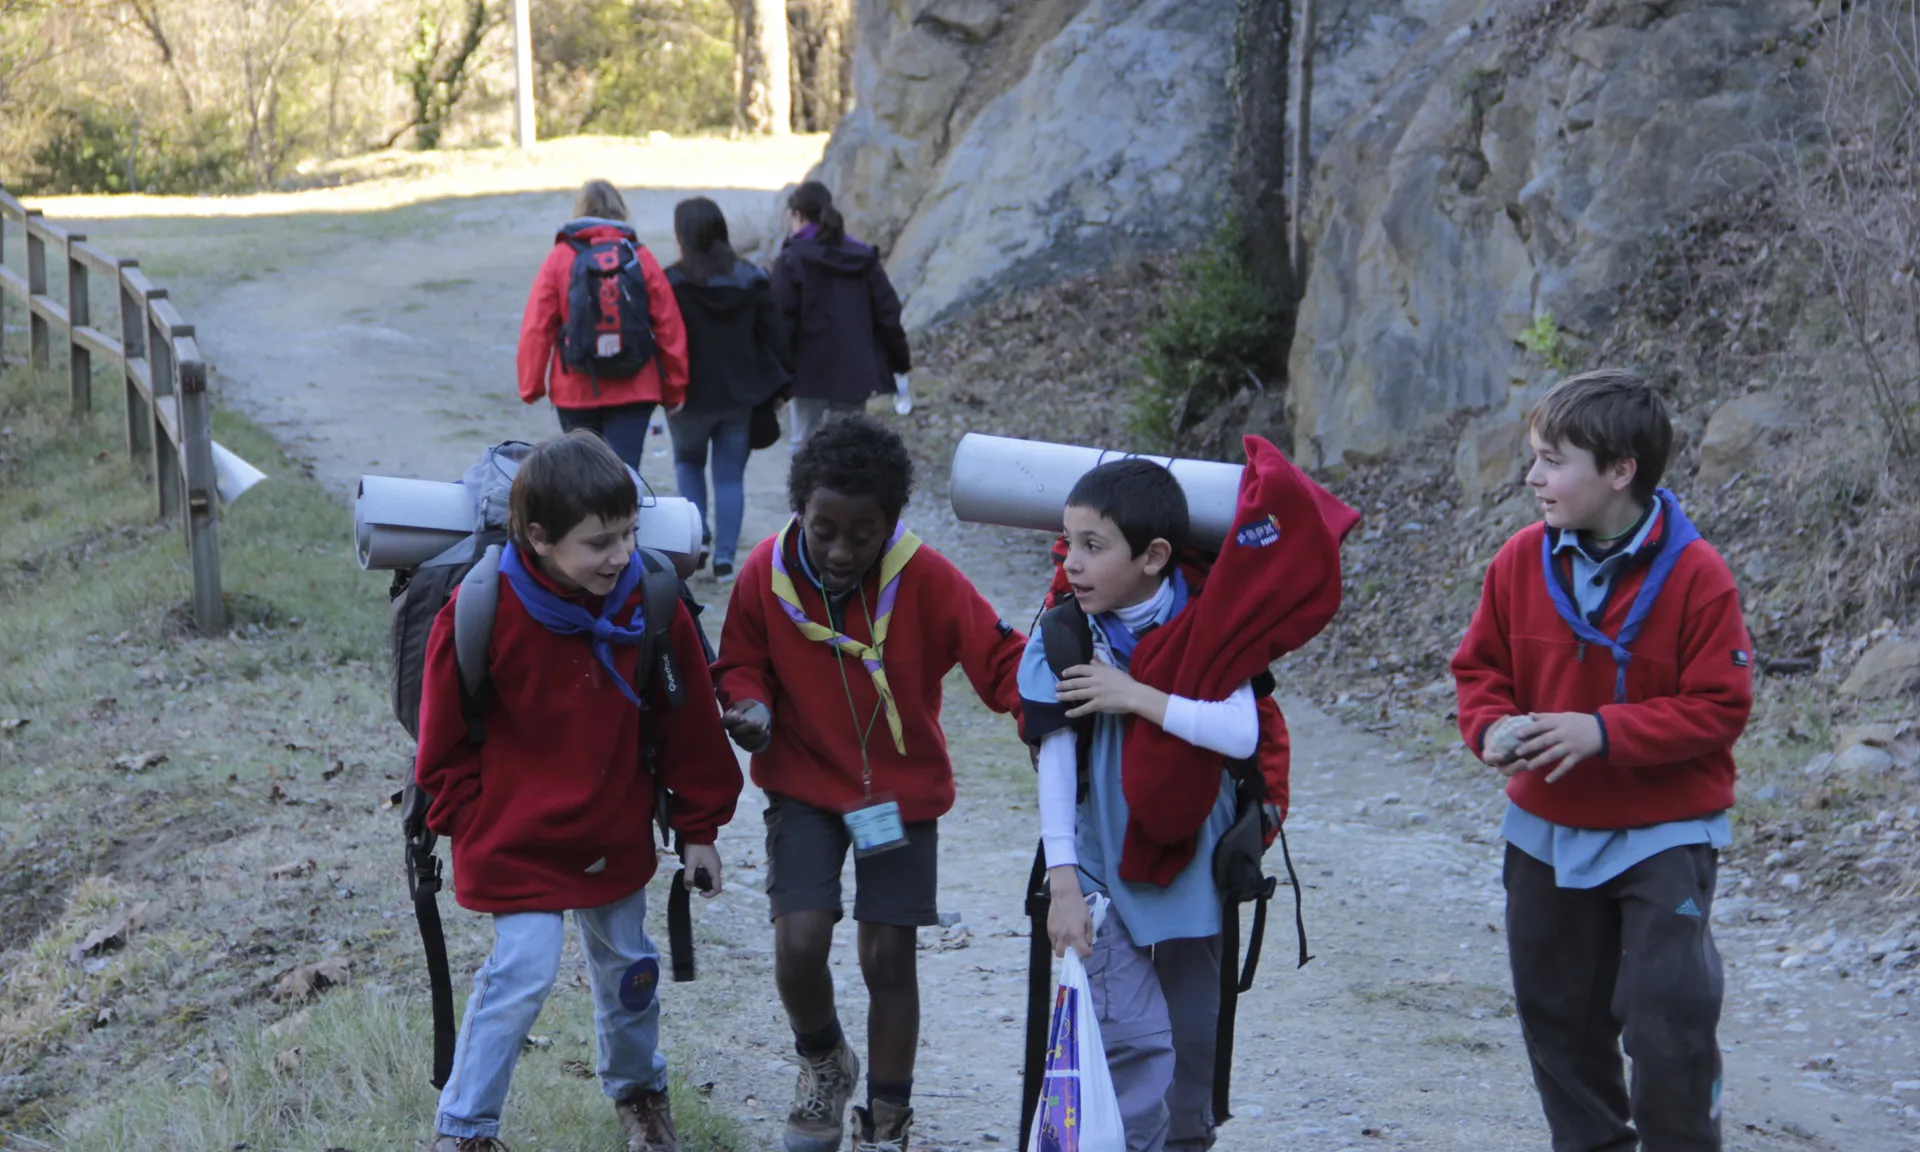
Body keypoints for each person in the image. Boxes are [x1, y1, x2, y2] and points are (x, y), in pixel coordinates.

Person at [412, 431, 743, 1152]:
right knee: (520, 974)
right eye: (598, 543)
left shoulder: (650, 601)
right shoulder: (483, 607)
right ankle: (465, 1130)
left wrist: (700, 830)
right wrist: (470, 819)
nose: (620, 554)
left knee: (630, 974)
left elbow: (687, 726)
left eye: (627, 533)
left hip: (612, 831)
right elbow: (440, 743)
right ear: (537, 537)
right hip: (515, 839)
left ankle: (640, 1097)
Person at [1451, 369, 1753, 1152]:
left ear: (1621, 471)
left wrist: (1602, 732)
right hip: (1543, 833)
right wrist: (1487, 729)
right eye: (1533, 457)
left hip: (1664, 834)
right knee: (1559, 1024)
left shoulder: (1699, 576)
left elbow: (1721, 707)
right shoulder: (1517, 561)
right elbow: (1478, 673)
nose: (1533, 477)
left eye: (1553, 460)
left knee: (1669, 1021)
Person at [710, 415, 1025, 1152]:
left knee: (888, 953)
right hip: (805, 785)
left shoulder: (927, 577)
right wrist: (748, 704)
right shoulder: (767, 573)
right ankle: (824, 1061)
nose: (842, 550)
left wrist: (1044, 712)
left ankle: (887, 1114)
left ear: (892, 522)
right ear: (800, 511)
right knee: (800, 941)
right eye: (825, 530)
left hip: (895, 798)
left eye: (864, 533)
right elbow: (740, 661)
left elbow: (998, 661)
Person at [1016, 459, 1257, 1152]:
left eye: (1095, 547)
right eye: (1068, 544)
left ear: (1154, 557)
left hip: (1195, 863)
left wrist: (1132, 695)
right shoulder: (1062, 634)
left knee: (1189, 1056)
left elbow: (1240, 729)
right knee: (1133, 1046)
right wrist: (1061, 883)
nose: (1074, 565)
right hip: (1094, 869)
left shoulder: (1208, 623)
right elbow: (1055, 761)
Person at [518, 179, 690, 468]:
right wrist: (675, 388)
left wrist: (531, 385)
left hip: (576, 388)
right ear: (620, 210)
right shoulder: (639, 256)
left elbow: (537, 326)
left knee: (585, 477)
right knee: (624, 477)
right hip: (636, 387)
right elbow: (668, 325)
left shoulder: (560, 258)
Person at [666, 195, 793, 583]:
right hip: (739, 397)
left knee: (688, 464)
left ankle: (697, 539)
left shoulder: (671, 282)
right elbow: (776, 337)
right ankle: (724, 561)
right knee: (729, 478)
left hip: (687, 397)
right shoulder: (751, 277)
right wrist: (781, 385)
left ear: (682, 236)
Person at [769, 182, 912, 446]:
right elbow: (888, 313)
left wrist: (778, 378)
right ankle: (848, 488)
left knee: (804, 443)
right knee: (849, 446)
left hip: (807, 371)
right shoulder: (861, 257)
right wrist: (899, 362)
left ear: (797, 216)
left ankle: (806, 489)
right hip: (855, 369)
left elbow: (781, 321)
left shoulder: (791, 260)